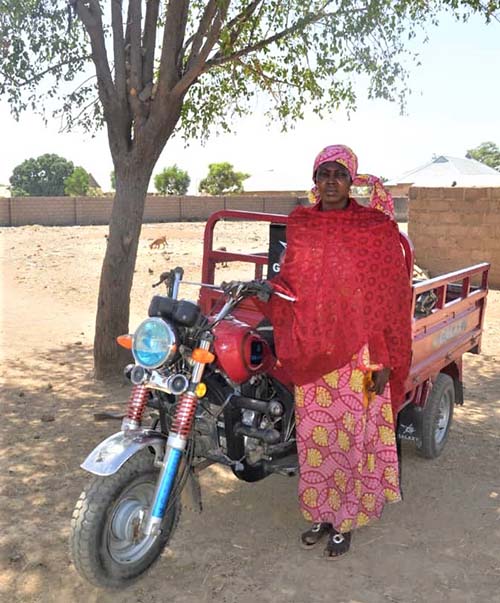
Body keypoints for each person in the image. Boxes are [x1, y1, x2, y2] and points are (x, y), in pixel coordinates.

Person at [267, 145, 412, 558]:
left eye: (339, 173)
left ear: (353, 181)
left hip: (363, 355)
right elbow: (292, 284)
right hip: (313, 350)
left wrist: (383, 359)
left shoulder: (374, 228)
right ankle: (321, 512)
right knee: (316, 439)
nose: (331, 181)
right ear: (314, 181)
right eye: (323, 173)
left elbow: (389, 298)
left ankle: (346, 520)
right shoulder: (302, 224)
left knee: (353, 438)